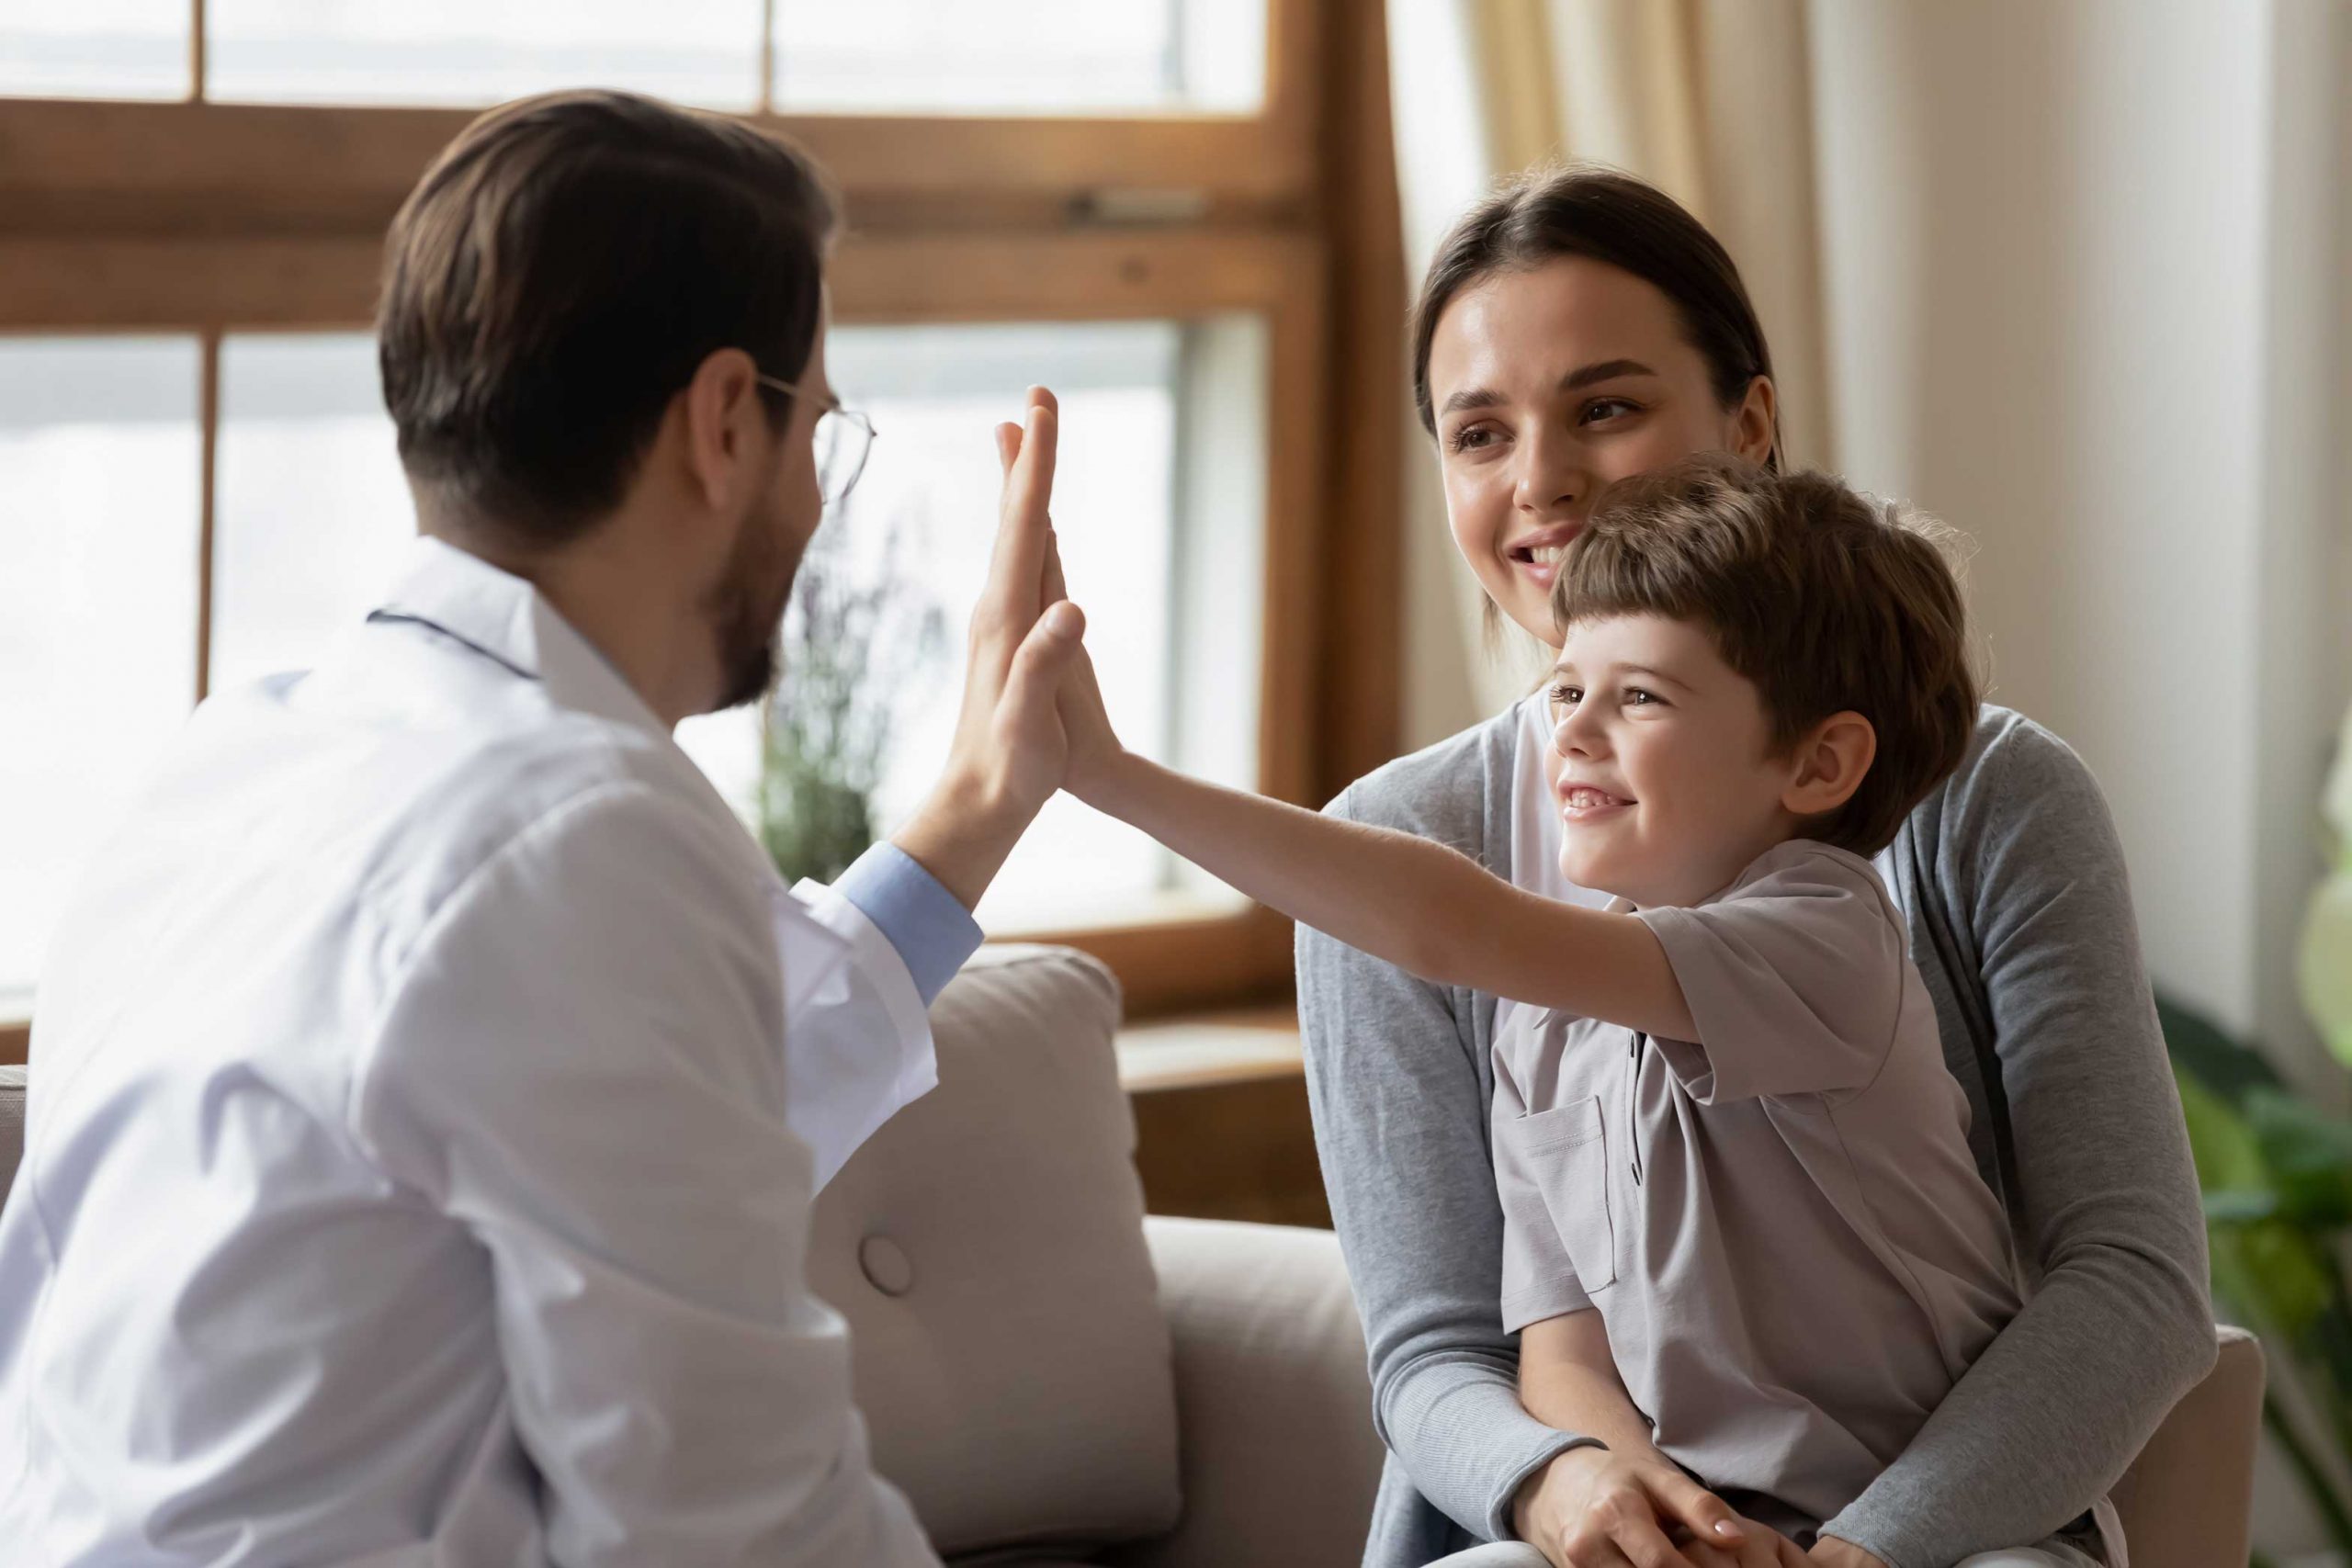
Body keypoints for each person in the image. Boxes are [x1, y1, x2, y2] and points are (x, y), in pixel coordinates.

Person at [0, 90, 1084, 1564]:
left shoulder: (235, 757)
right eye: (816, 426)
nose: (819, 495)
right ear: (720, 421)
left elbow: (645, 1104)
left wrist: (980, 801)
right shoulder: (585, 832)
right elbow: (744, 1528)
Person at [1290, 167, 2214, 1568]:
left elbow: (2134, 1278)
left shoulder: (1994, 799)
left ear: (1750, 423)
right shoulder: (1390, 844)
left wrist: (1867, 1545)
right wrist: (1577, 1492)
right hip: (1569, 1527)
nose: (1539, 480)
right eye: (1481, 432)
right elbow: (1435, 1343)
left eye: (1604, 407)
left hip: (1941, 1531)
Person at [1052, 453, 2115, 1568]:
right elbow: (1558, 1352)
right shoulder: (1543, 1017)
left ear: (1819, 762)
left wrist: (1117, 778)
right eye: (1566, 688)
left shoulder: (1826, 934)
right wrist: (1648, 1506)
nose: (1569, 730)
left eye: (1640, 695)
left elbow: (1449, 925)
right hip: (1711, 1524)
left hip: (1940, 1532)